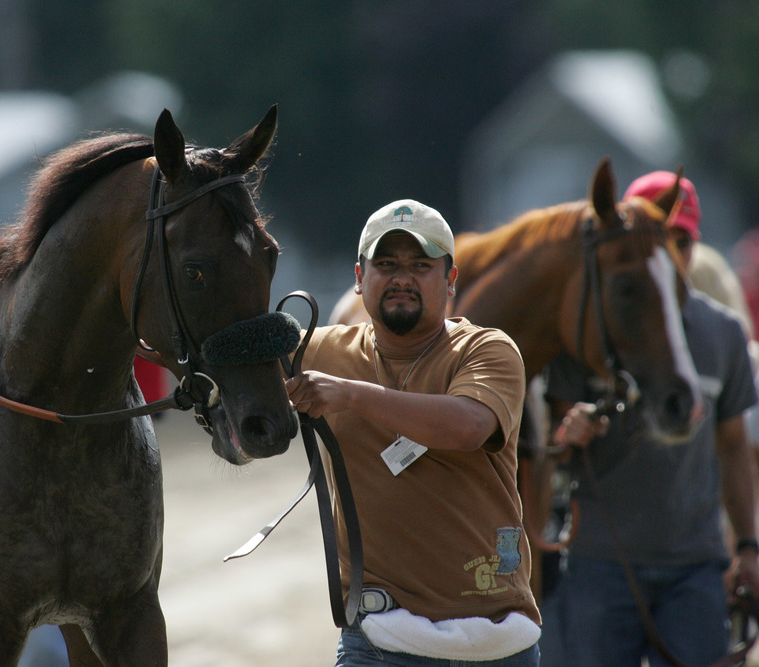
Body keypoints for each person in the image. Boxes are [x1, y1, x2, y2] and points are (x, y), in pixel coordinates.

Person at [285, 199, 541, 666]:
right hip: (379, 640)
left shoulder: (488, 349)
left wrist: (350, 395)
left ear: (450, 281)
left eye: (420, 265)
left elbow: (469, 426)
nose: (402, 276)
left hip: (496, 641)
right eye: (386, 264)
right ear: (359, 279)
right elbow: (217, 368)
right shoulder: (316, 350)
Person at [538, 171, 759, 667]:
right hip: (599, 561)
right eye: (661, 240)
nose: (671, 253)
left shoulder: (723, 334)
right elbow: (553, 433)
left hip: (695, 568)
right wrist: (568, 432)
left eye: (682, 241)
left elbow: (733, 446)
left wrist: (748, 546)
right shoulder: (583, 332)